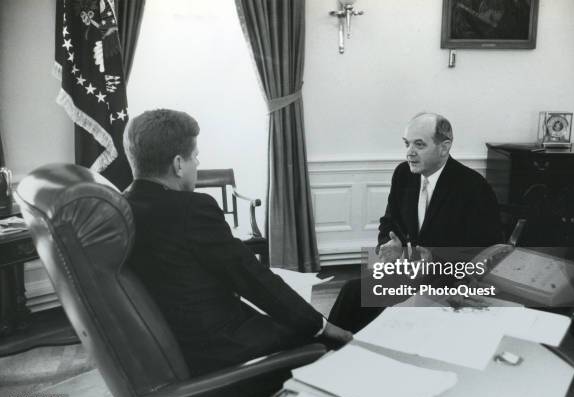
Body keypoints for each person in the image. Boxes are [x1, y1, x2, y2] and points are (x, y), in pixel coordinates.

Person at [123, 109, 352, 376]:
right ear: (178, 164)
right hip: (222, 347)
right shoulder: (191, 209)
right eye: (195, 157)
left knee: (352, 296)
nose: (197, 164)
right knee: (337, 333)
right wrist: (322, 327)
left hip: (182, 339)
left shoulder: (125, 206)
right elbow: (251, 278)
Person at [329, 112, 503, 332]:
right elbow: (389, 222)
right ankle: (331, 351)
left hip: (450, 279)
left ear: (444, 147)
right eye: (407, 144)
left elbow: (490, 251)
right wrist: (391, 245)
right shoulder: (403, 174)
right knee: (352, 293)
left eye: (419, 145)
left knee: (394, 316)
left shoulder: (473, 186)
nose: (409, 153)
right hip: (411, 270)